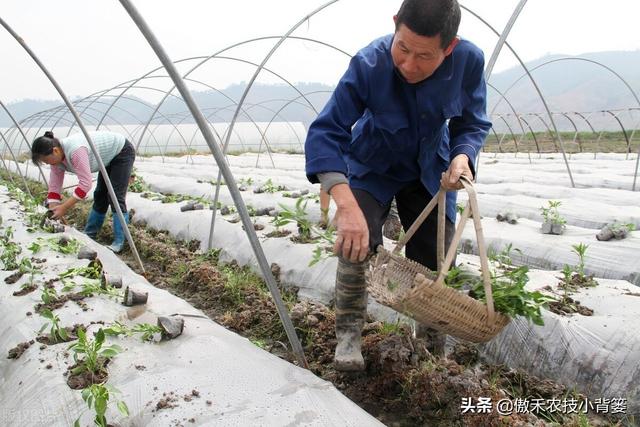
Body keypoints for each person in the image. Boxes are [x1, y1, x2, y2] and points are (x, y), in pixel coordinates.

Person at [305, 0, 491, 371]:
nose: (408, 64)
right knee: (355, 243)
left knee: (433, 257)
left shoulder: (468, 61)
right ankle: (349, 334)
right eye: (402, 48)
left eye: (423, 56)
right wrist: (345, 204)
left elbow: (472, 122)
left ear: (448, 48)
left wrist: (463, 155)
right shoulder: (369, 64)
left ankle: (430, 345)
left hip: (430, 168)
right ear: (395, 24)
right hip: (373, 164)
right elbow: (326, 133)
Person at [31, 130, 136, 253]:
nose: (49, 164)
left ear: (55, 150)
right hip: (106, 158)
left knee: (114, 196)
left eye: (47, 161)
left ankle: (119, 241)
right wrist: (53, 207)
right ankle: (90, 233)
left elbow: (86, 184)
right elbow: (54, 186)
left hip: (121, 151)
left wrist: (64, 207)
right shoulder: (56, 161)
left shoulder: (76, 151)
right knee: (100, 195)